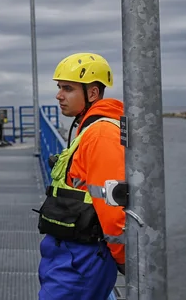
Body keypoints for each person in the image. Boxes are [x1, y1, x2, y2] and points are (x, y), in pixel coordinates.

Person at [36, 52, 126, 300]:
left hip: (82, 258)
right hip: (70, 252)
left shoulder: (101, 135)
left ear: (93, 93)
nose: (59, 95)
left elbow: (112, 203)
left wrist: (123, 257)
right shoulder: (87, 128)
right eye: (59, 87)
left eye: (68, 88)